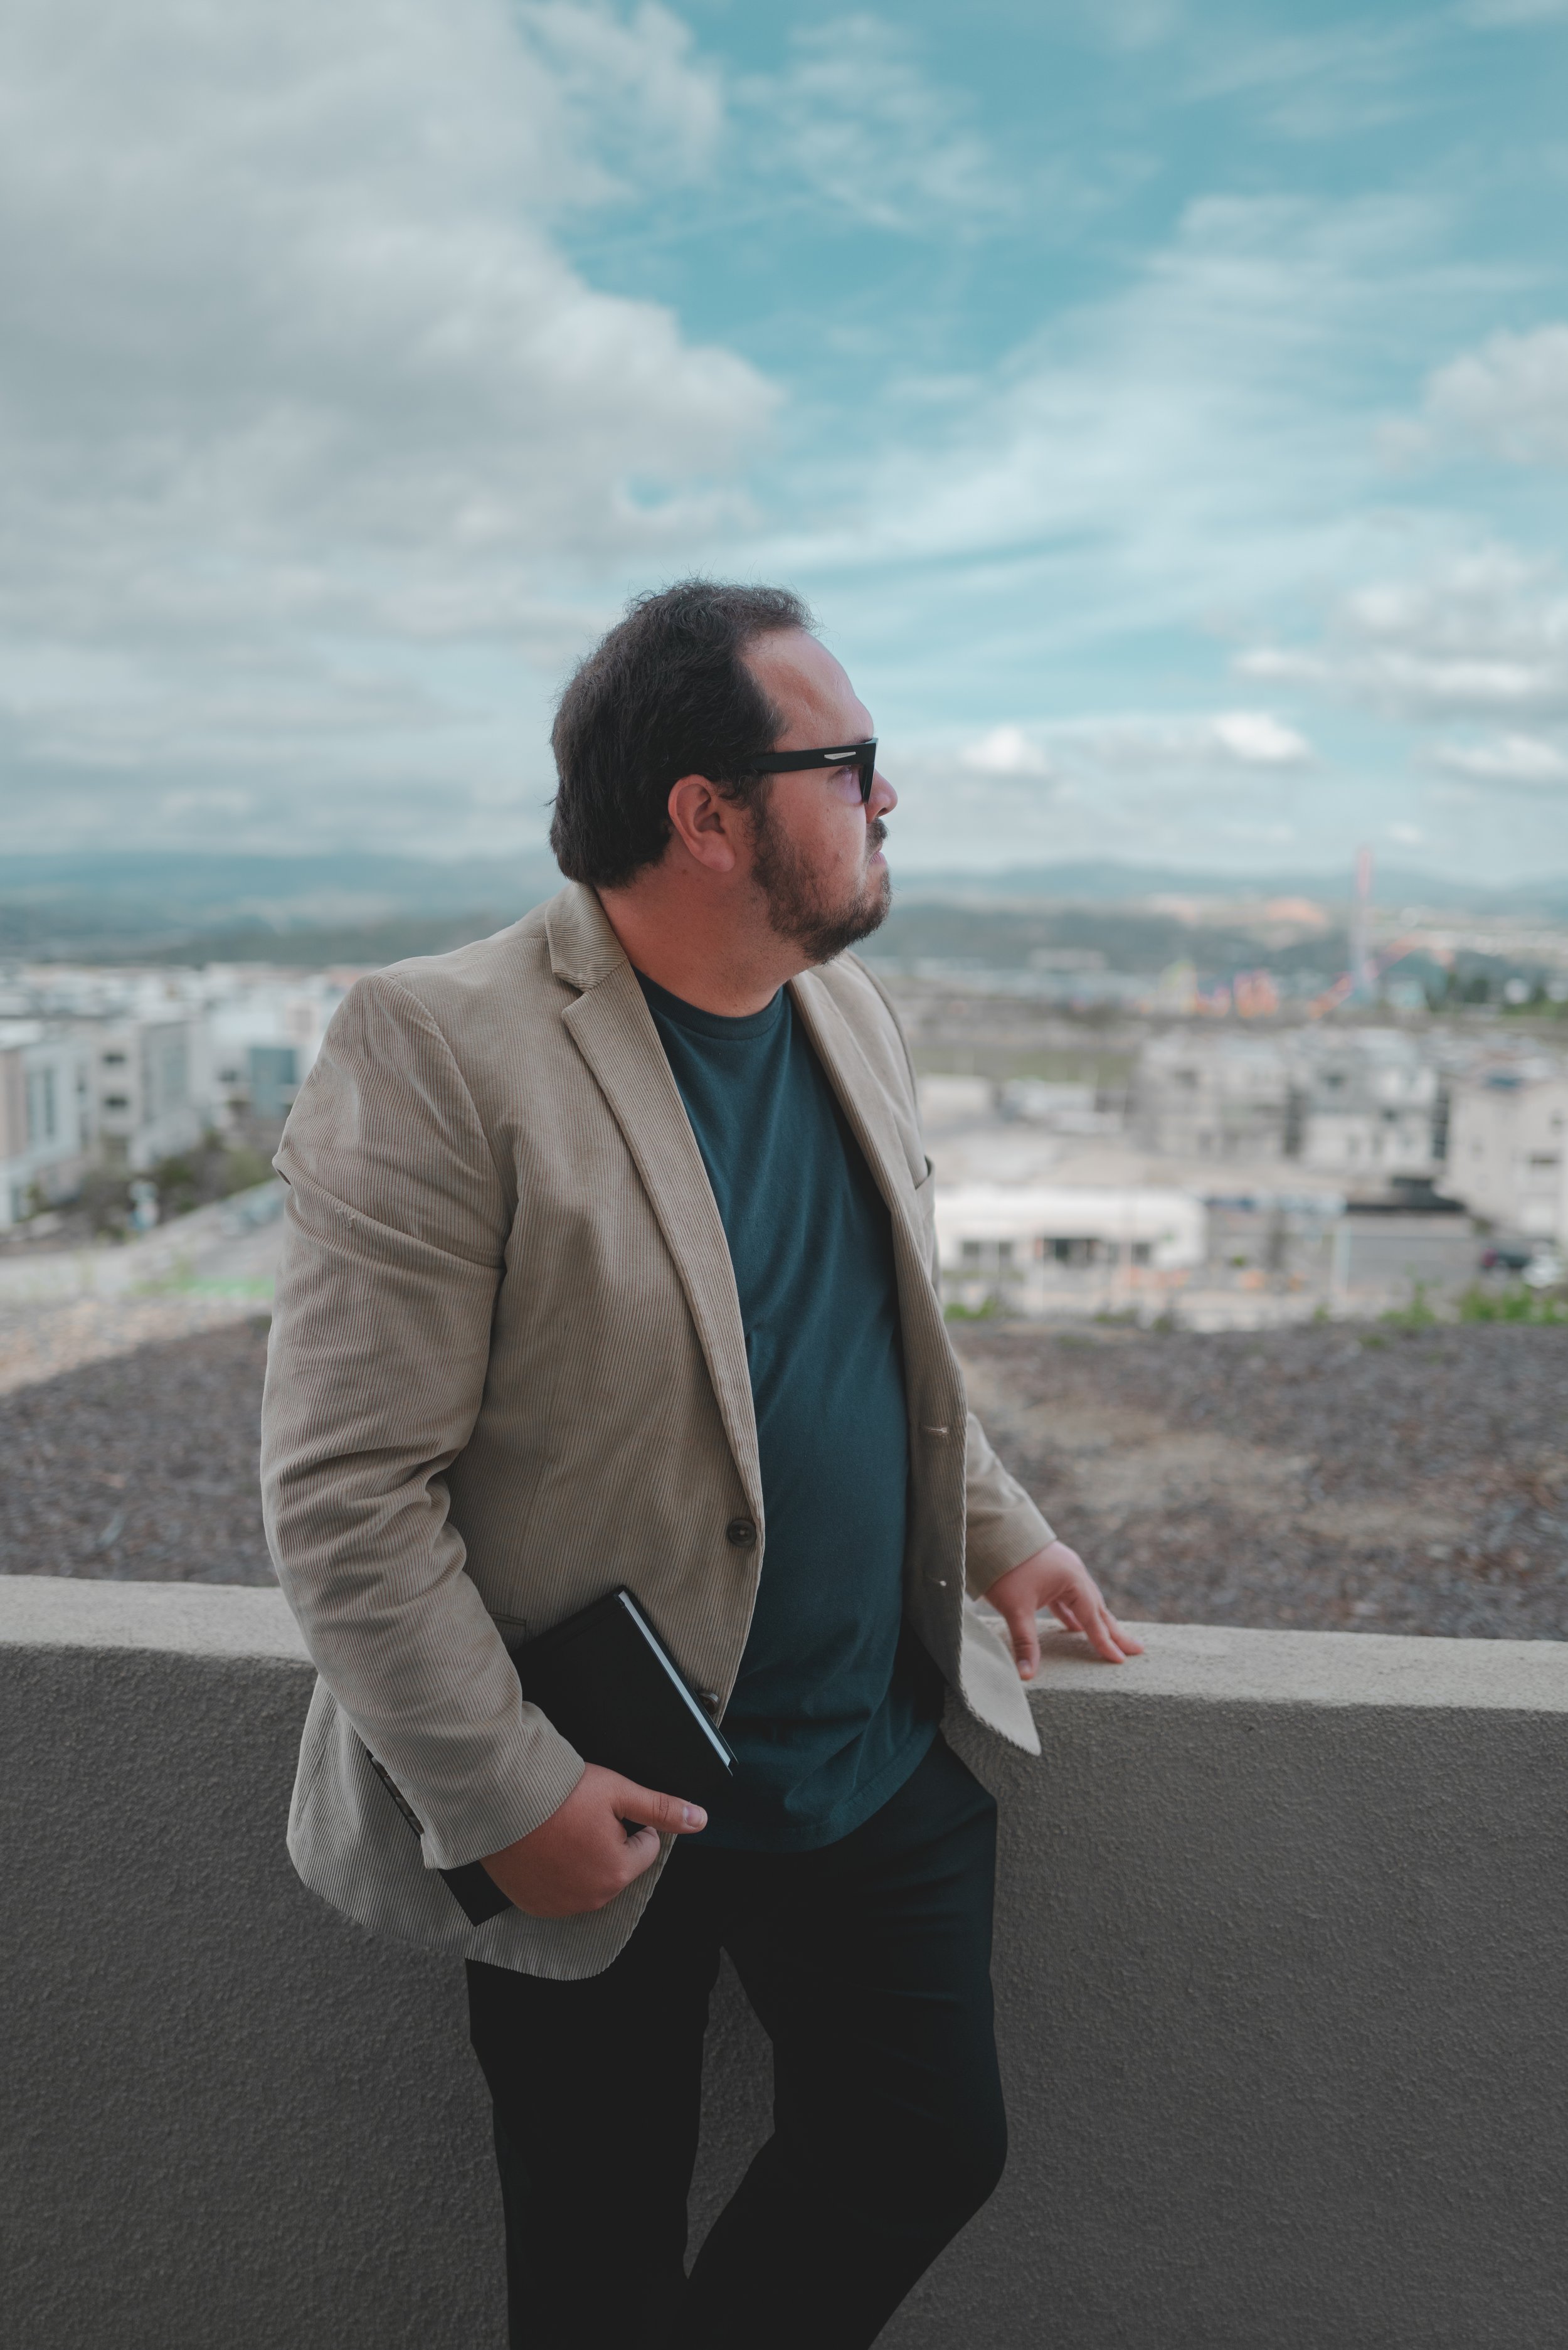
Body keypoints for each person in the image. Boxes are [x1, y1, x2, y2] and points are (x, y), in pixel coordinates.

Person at [260, 578, 1142, 2349]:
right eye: (851, 765)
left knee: (923, 2143)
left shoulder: (846, 1010)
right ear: (708, 815)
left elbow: (869, 1337)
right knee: (592, 2260)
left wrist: (1000, 1531)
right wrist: (506, 1797)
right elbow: (344, 1494)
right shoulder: (440, 1043)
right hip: (601, 1785)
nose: (888, 797)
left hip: (867, 1765)